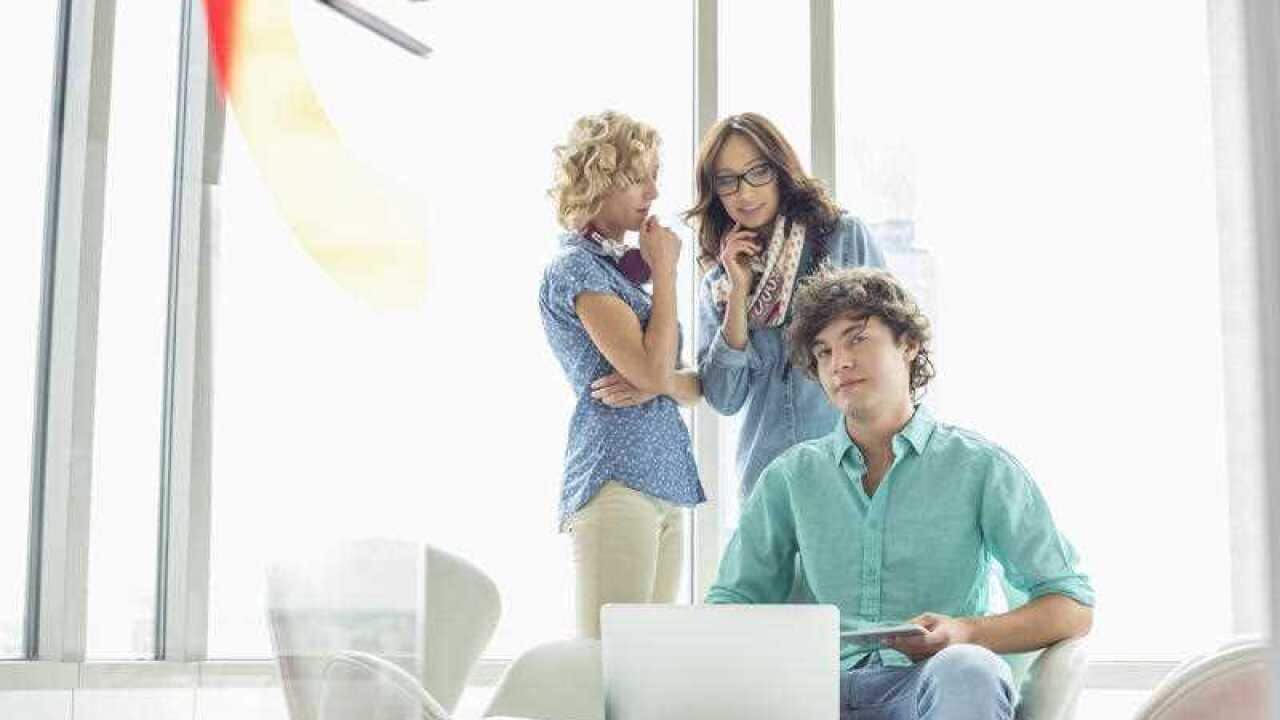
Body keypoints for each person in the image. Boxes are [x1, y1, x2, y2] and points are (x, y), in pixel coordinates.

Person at [707, 266, 1094, 720]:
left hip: (930, 687)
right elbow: (732, 605)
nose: (839, 362)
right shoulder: (790, 478)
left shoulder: (980, 467)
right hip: (812, 693)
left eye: (856, 339)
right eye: (824, 351)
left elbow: (1071, 606)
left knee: (969, 669)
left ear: (908, 345)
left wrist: (964, 633)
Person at [539, 110, 704, 639]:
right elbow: (658, 370)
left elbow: (690, 385)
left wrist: (660, 381)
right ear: (598, 181)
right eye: (637, 177)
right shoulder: (577, 269)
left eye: (655, 175)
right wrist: (666, 273)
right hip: (616, 478)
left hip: (665, 479)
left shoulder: (619, 272)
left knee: (647, 664)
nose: (653, 191)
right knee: (607, 662)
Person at [690, 112, 886, 501]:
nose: (745, 194)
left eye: (757, 172)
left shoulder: (842, 239)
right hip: (768, 479)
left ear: (779, 170)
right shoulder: (718, 283)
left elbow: (890, 347)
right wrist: (738, 292)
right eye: (727, 181)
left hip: (851, 470)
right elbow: (724, 399)